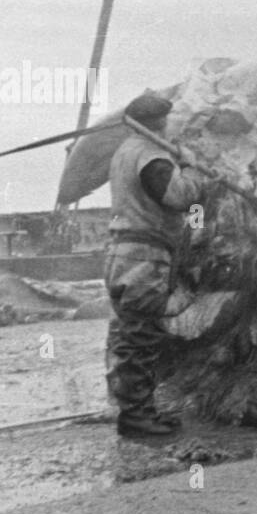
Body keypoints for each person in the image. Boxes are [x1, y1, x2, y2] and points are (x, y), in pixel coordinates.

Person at [104, 92, 207, 437]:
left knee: (132, 335)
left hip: (121, 254)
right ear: (159, 123)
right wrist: (191, 169)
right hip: (143, 258)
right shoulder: (152, 157)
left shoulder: (125, 152)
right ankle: (135, 417)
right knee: (141, 339)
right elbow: (179, 197)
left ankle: (140, 410)